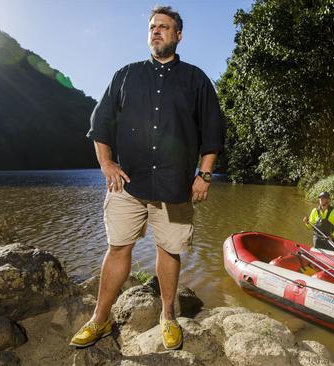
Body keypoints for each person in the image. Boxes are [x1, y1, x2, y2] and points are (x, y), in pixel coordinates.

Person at [70, 6, 224, 350]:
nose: (156, 31)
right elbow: (101, 124)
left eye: (164, 27)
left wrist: (205, 174)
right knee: (117, 248)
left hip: (176, 186)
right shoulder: (125, 75)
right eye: (153, 27)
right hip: (129, 184)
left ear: (178, 35)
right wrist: (107, 164)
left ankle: (167, 316)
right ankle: (100, 318)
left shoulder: (196, 79)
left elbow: (213, 130)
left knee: (169, 251)